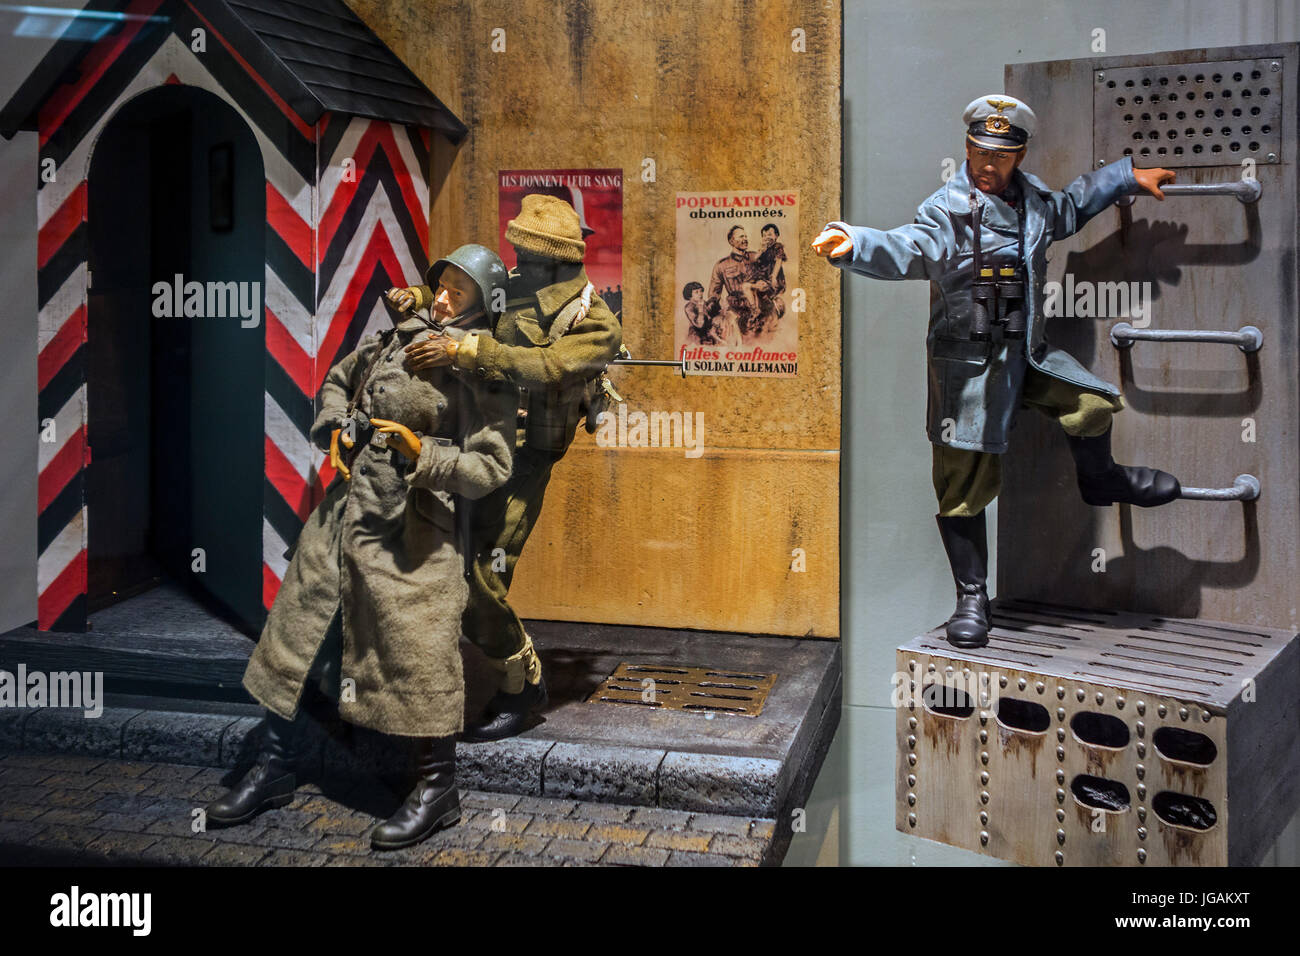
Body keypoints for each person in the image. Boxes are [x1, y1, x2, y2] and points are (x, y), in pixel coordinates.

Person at [812, 94, 1181, 650]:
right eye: (980, 152)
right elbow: (907, 247)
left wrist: (1125, 177)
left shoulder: (1033, 203)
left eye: (1001, 156)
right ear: (966, 148)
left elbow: (1072, 206)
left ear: (1020, 154)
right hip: (968, 371)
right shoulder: (947, 211)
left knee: (1092, 404)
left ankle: (1100, 479)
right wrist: (854, 242)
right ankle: (971, 596)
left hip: (1024, 354)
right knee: (962, 483)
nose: (989, 166)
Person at [205, 245, 516, 851]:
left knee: (418, 647)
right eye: (442, 286)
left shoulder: (483, 372)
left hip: (417, 525)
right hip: (344, 513)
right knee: (301, 629)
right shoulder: (397, 339)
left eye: (461, 293)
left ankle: (435, 787)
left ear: (483, 306)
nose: (445, 299)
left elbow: (491, 464)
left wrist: (420, 452)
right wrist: (339, 429)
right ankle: (275, 765)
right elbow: (340, 382)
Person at [396, 195, 622, 740]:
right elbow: (469, 291)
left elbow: (546, 366)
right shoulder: (513, 286)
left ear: (560, 258)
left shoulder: (594, 321)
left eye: (529, 252)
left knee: (481, 581)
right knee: (440, 560)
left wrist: (467, 353)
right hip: (474, 441)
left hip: (526, 458)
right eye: (518, 248)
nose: (519, 258)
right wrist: (422, 295)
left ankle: (522, 684)